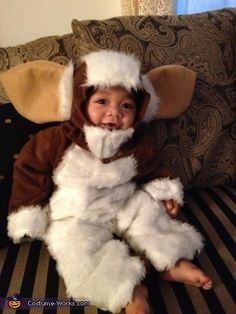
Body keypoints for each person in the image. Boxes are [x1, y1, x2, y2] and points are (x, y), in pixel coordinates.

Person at [1, 50, 212, 314]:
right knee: (74, 248)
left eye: (126, 105)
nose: (114, 113)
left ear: (139, 110)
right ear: (80, 102)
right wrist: (28, 211)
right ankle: (128, 291)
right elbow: (29, 169)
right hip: (76, 212)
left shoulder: (137, 142)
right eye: (102, 101)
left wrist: (164, 191)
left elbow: (154, 168)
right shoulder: (56, 139)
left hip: (122, 200)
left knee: (149, 213)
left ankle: (171, 262)